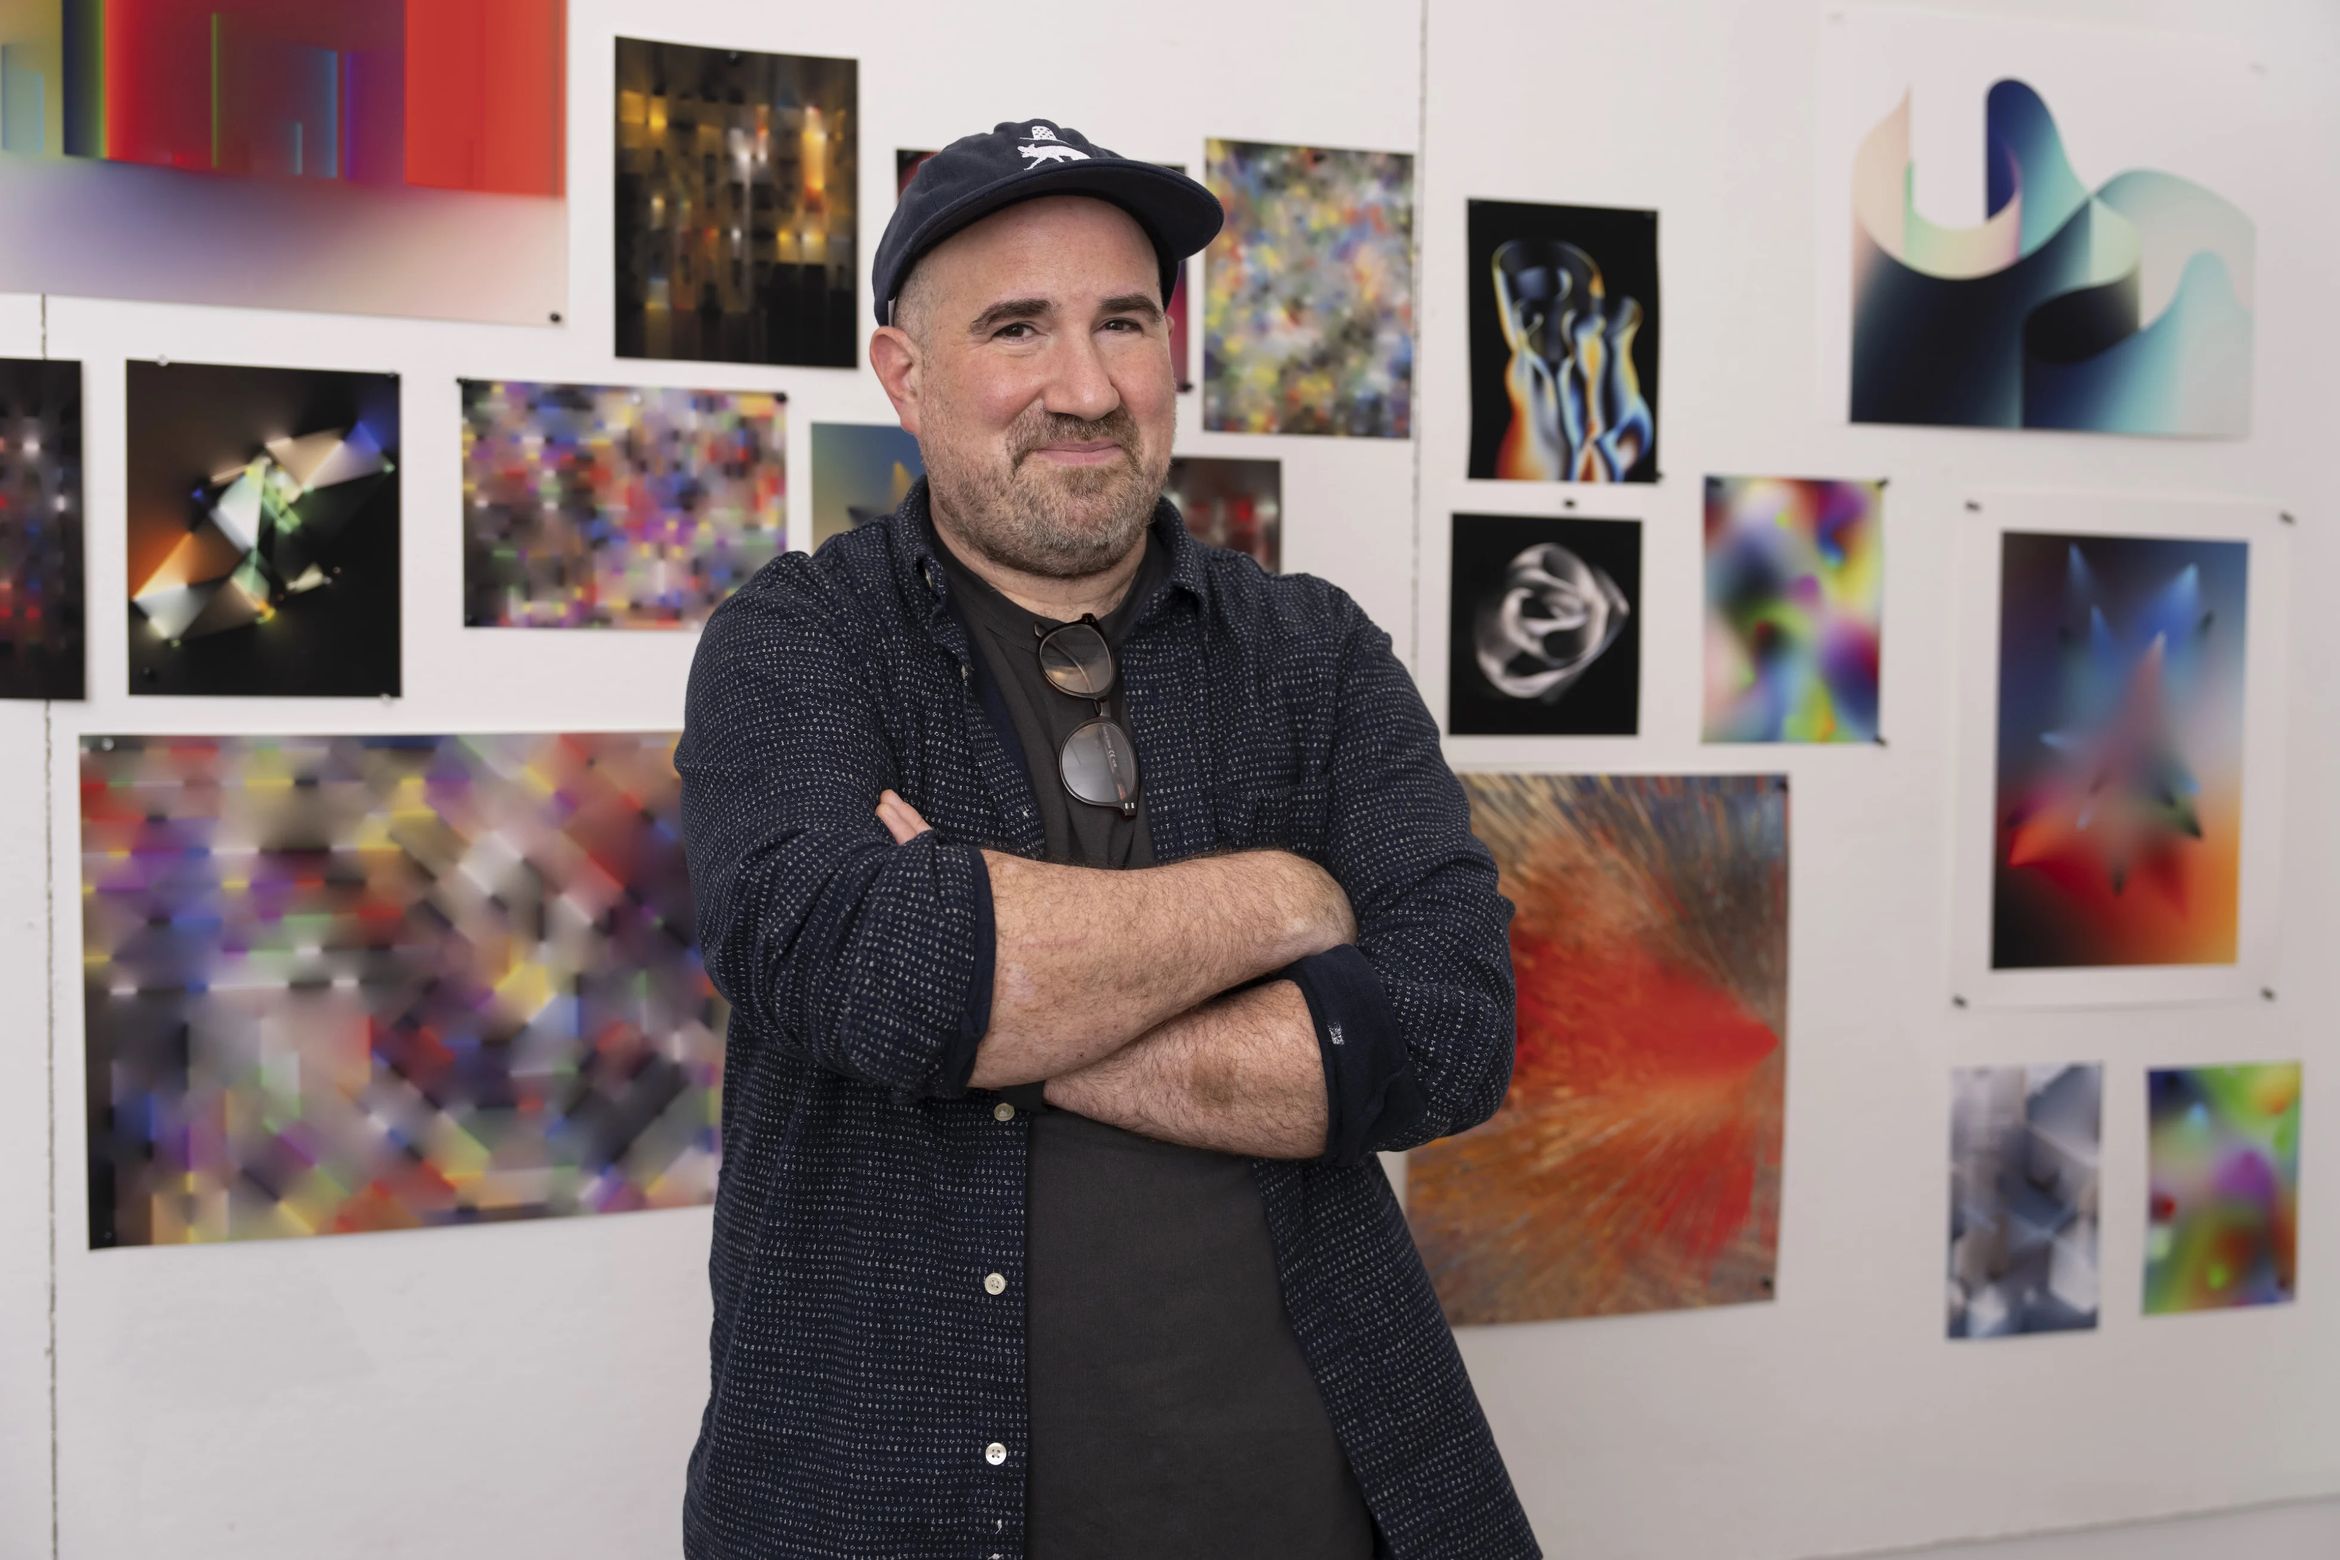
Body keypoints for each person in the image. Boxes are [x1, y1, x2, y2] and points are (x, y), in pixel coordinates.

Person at [676, 117, 1537, 1560]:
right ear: (907, 375)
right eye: (1019, 327)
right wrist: (1283, 898)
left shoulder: (1312, 656)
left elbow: (1449, 1032)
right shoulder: (795, 643)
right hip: (875, 1508)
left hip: (1329, 1506)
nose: (1087, 387)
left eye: (1124, 322)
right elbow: (852, 965)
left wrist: (992, 980)